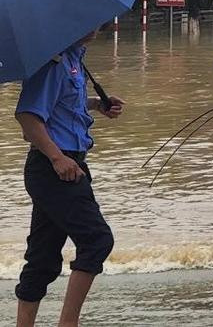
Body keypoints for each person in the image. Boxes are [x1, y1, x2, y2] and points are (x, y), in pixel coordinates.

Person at [14, 27, 123, 327]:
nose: (96, 28)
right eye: (90, 21)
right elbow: (27, 117)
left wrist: (96, 104)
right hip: (55, 167)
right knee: (98, 240)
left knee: (43, 257)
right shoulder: (52, 62)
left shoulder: (74, 58)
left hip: (67, 164)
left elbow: (61, 101)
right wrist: (57, 157)